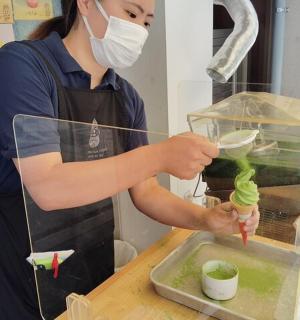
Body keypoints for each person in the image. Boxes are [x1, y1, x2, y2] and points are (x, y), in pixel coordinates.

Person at [0, 0, 260, 319]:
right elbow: (47, 186)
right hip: (23, 275)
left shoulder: (125, 98)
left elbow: (146, 192)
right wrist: (159, 156)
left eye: (147, 22)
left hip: (92, 266)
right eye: (131, 13)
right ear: (85, 3)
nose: (137, 29)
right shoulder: (22, 66)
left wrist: (206, 220)